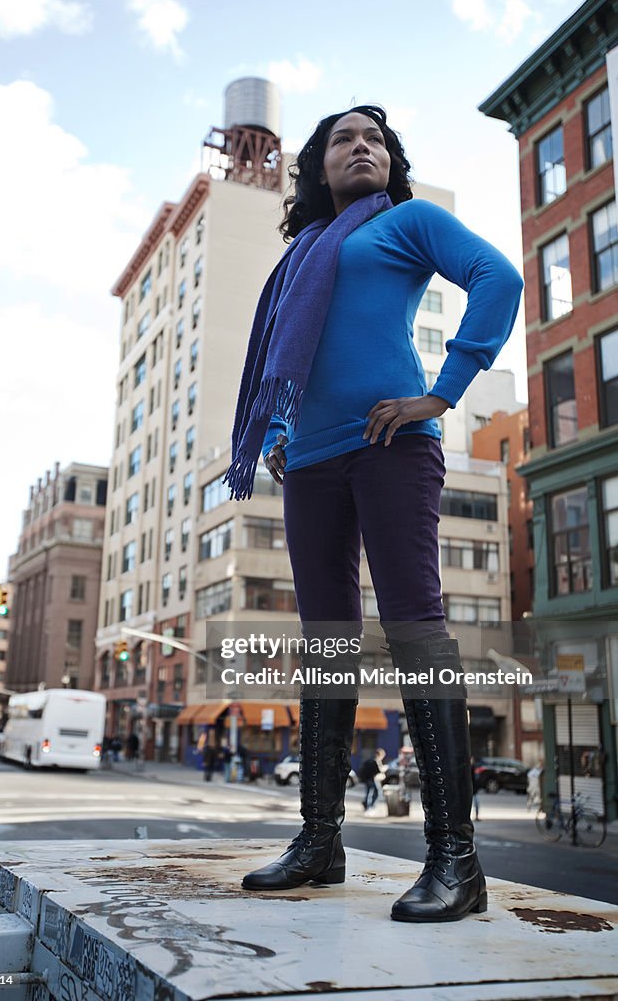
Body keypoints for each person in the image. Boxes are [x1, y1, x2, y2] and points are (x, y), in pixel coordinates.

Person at [224, 104, 523, 923]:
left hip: (394, 444)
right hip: (312, 463)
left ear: (392, 161)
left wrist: (443, 390)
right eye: (343, 140)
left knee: (414, 625)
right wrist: (278, 431)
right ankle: (320, 841)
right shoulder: (300, 257)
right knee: (325, 638)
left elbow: (500, 278)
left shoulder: (409, 223)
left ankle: (455, 862)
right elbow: (295, 358)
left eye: (376, 139)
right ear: (317, 166)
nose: (363, 148)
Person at [360, 748, 386, 812]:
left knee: (369, 792)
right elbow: (379, 771)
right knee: (377, 792)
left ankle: (366, 804)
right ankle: (370, 805)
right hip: (372, 779)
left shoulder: (369, 760)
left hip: (367, 779)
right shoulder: (376, 761)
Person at [471, 757, 480, 821]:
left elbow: (476, 779)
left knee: (476, 803)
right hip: (469, 790)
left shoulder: (474, 768)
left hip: (474, 789)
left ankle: (476, 816)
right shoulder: (467, 768)